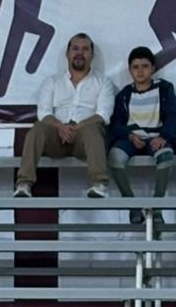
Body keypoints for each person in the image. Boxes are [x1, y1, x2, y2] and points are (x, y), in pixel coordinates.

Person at [13, 33, 114, 199]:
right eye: (75, 49)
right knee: (38, 129)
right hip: (57, 137)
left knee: (93, 128)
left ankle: (99, 184)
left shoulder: (103, 82)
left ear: (92, 55)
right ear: (67, 54)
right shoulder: (52, 81)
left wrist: (76, 128)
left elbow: (103, 115)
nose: (80, 53)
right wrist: (61, 127)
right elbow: (44, 113)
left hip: (84, 139)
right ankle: (23, 184)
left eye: (85, 49)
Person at [106, 46, 176, 228]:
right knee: (114, 157)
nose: (140, 71)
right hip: (131, 139)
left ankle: (157, 206)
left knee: (166, 156)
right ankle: (132, 207)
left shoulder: (164, 89)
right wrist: (129, 136)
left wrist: (164, 136)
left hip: (157, 137)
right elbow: (116, 124)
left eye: (145, 66)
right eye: (135, 67)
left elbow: (174, 116)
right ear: (130, 70)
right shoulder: (124, 95)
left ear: (153, 68)